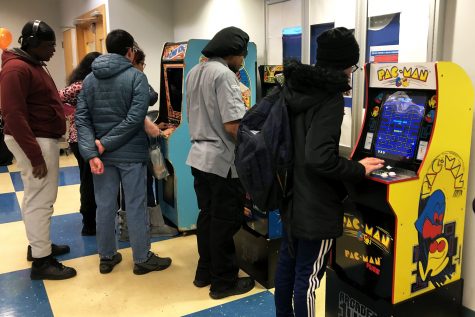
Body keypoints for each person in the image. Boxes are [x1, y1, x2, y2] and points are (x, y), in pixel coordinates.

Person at [273, 27, 385, 316]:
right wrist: (357, 168)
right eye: (352, 65)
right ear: (344, 64)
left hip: (291, 194)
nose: (352, 71)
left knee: (287, 269)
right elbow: (318, 157)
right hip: (316, 203)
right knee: (308, 277)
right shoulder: (330, 97)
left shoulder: (296, 87)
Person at [75, 29, 172, 275]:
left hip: (101, 158)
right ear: (130, 51)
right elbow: (135, 118)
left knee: (105, 206)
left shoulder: (89, 80)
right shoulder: (135, 78)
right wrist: (105, 144)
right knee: (136, 205)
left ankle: (107, 257)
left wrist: (92, 153)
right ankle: (142, 258)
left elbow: (82, 119)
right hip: (130, 155)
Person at [0, 20, 76, 280]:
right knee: (40, 199)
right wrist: (35, 156)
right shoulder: (16, 69)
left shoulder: (32, 64)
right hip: (35, 141)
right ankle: (42, 262)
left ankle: (39, 245)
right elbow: (13, 115)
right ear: (32, 43)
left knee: (40, 197)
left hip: (41, 139)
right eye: (49, 45)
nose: (53, 49)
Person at [185, 26, 255, 300]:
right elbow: (233, 126)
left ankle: (205, 273)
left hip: (199, 157)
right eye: (243, 55)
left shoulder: (195, 71)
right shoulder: (224, 75)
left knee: (207, 217)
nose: (243, 61)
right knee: (226, 222)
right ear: (234, 52)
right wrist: (257, 146)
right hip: (222, 161)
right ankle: (224, 282)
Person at [131, 46, 178, 237]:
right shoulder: (134, 78)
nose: (143, 68)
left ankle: (131, 227)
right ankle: (152, 225)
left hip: (113, 146)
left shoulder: (98, 78)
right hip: (134, 144)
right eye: (142, 64)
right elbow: (152, 97)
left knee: (129, 189)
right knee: (142, 182)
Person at [59, 51, 101, 236]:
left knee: (88, 180)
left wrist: (71, 112)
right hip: (91, 138)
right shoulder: (88, 85)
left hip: (77, 139)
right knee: (93, 182)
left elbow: (57, 97)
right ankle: (90, 223)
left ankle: (90, 221)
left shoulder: (77, 85)